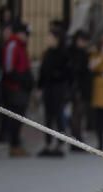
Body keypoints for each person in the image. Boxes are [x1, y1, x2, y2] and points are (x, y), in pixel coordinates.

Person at [37, 28, 70, 156]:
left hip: (58, 88)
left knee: (59, 115)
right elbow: (42, 71)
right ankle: (48, 143)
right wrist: (40, 86)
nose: (47, 39)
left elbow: (67, 73)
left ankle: (60, 143)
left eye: (49, 37)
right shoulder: (47, 53)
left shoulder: (63, 53)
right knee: (48, 116)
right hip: (48, 88)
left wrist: (56, 76)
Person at [0, 21, 31, 157]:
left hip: (22, 86)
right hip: (14, 86)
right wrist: (21, 79)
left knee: (20, 116)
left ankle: (16, 143)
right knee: (15, 116)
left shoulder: (21, 45)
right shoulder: (13, 44)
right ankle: (14, 144)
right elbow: (8, 68)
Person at [67, 30, 91, 150]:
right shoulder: (75, 53)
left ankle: (77, 138)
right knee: (76, 114)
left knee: (79, 115)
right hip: (77, 89)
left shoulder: (82, 52)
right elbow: (76, 72)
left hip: (82, 88)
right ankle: (76, 139)